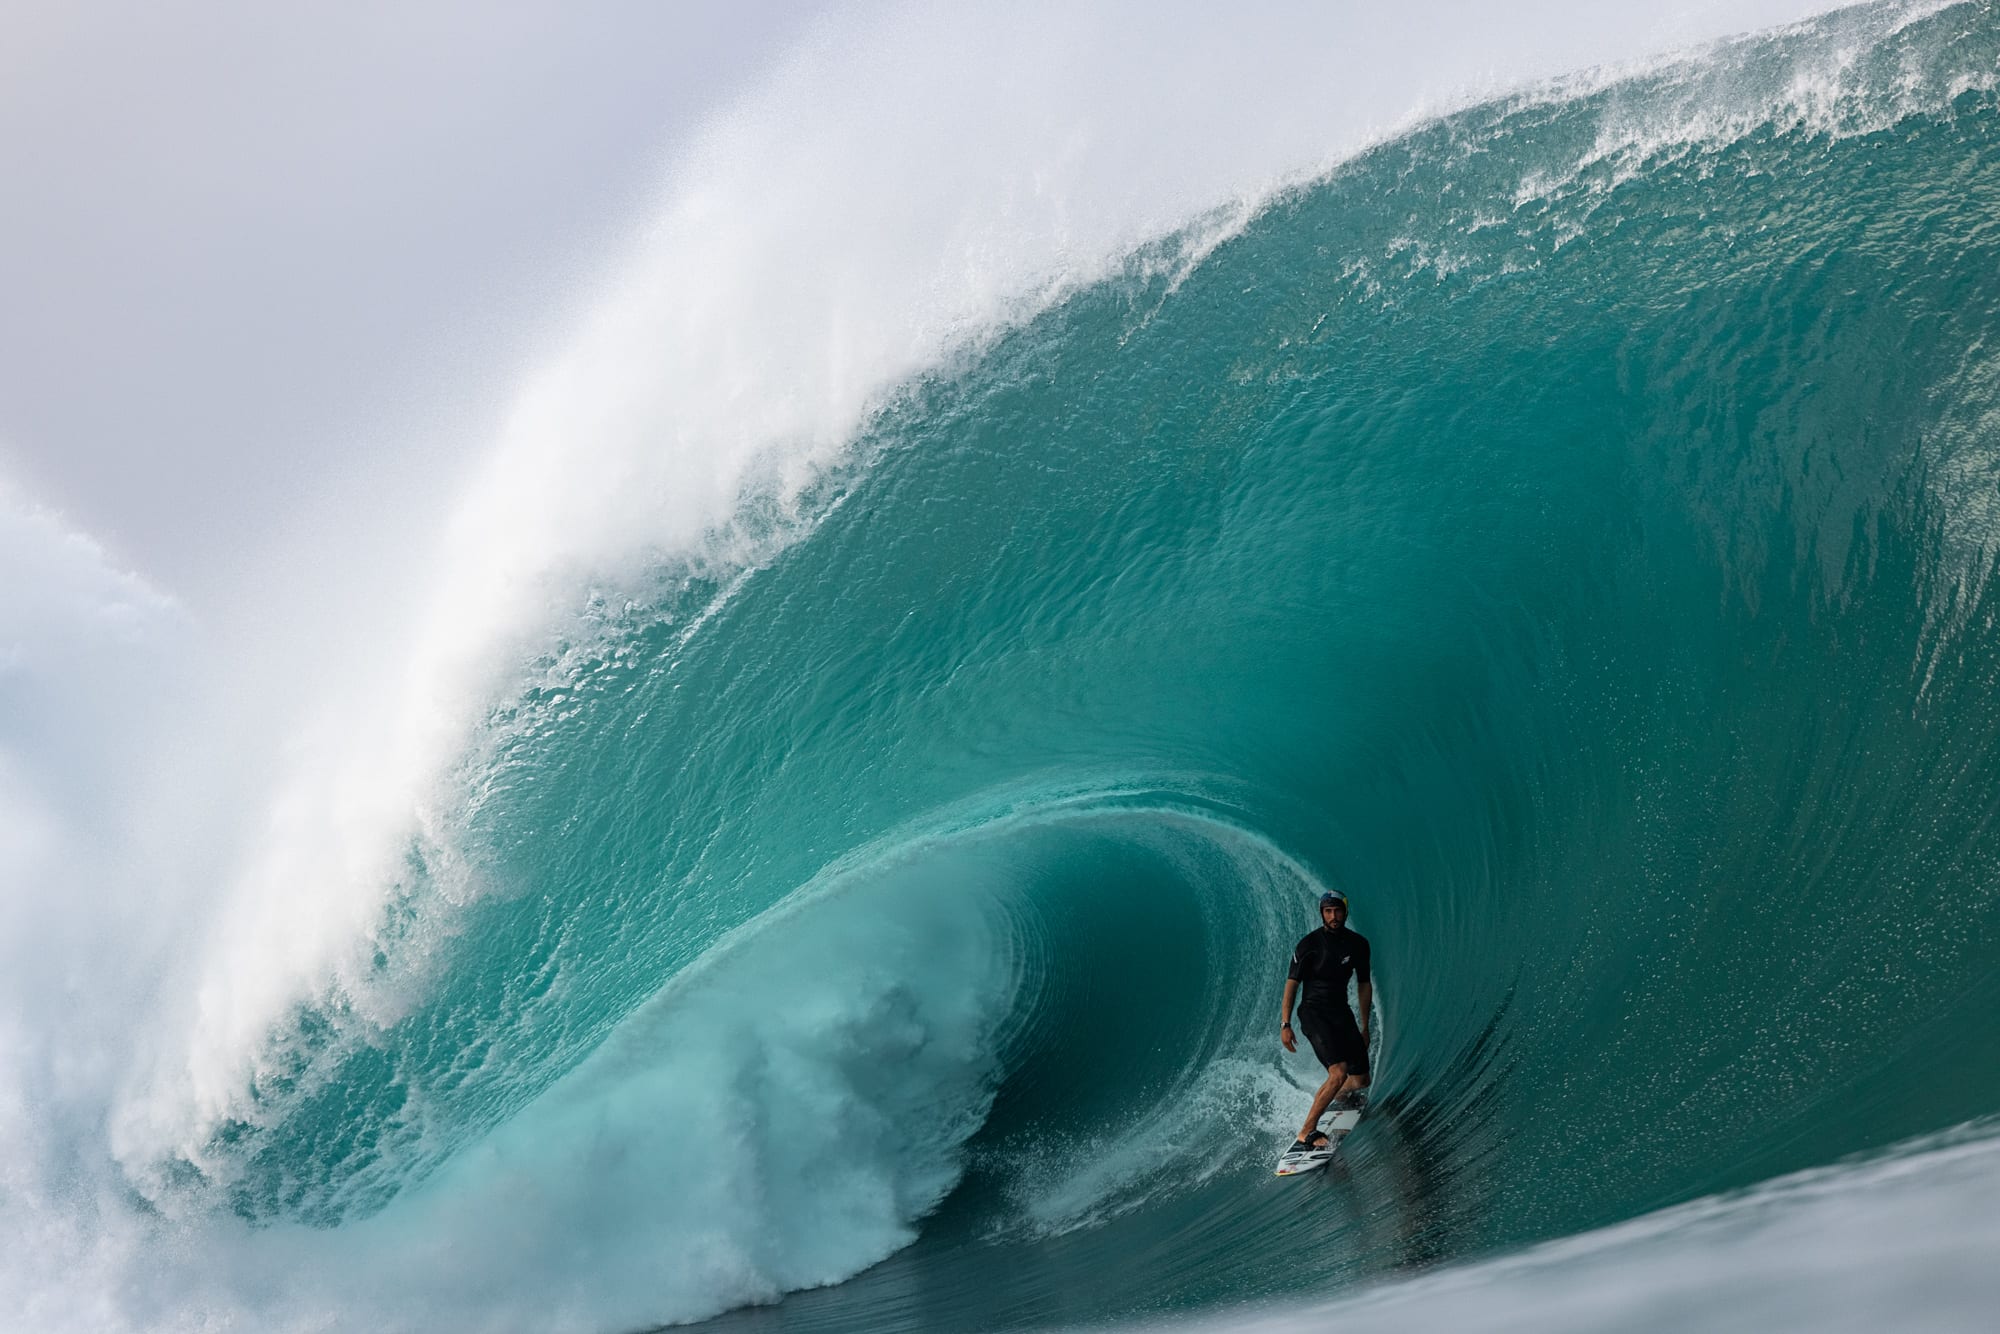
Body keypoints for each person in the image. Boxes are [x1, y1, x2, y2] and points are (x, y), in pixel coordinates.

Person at [1279, 889, 1372, 1152]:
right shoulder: (1309, 945)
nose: (1333, 916)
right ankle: (1306, 1131)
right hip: (1313, 1012)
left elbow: (1364, 984)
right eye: (1328, 911)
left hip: (1340, 1012)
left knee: (1361, 1080)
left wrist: (1365, 1026)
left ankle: (1337, 1095)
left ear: (1345, 912)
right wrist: (1285, 1024)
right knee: (1338, 1072)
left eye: (1337, 911)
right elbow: (1292, 984)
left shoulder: (1358, 944)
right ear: (1322, 913)